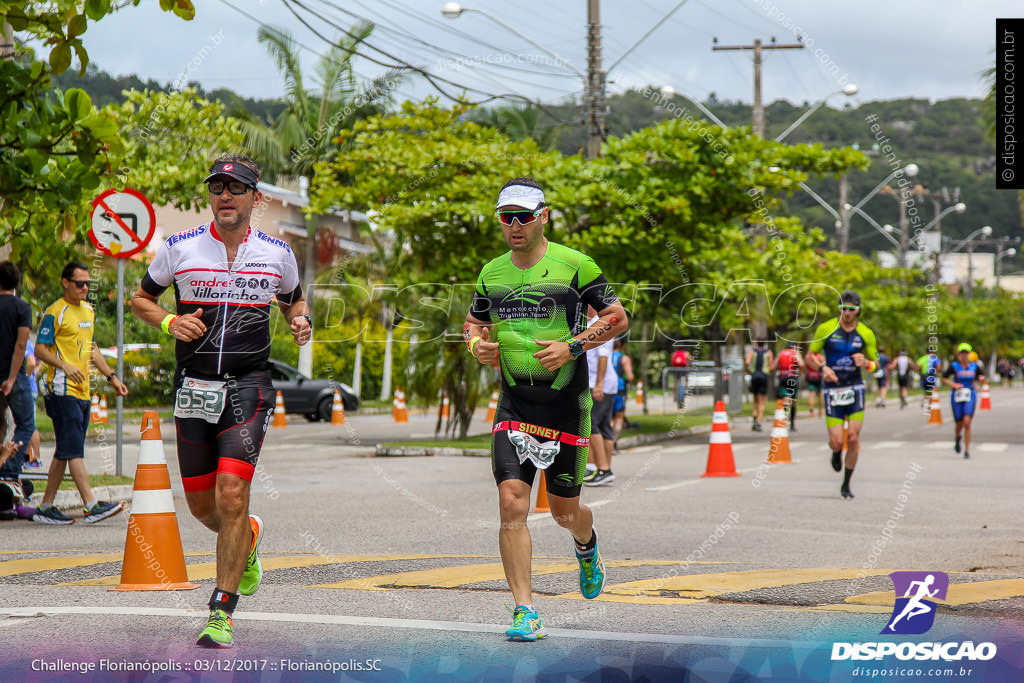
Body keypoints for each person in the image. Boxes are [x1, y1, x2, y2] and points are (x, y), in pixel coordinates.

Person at [130, 154, 312, 649]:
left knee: (232, 493)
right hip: (194, 387)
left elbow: (294, 299)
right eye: (217, 187)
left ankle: (221, 611)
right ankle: (246, 540)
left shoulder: (277, 253)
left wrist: (299, 319)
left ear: (257, 198)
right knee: (203, 508)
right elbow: (141, 300)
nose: (225, 195)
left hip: (249, 386)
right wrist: (169, 322)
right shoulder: (180, 248)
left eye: (236, 187)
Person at [464, 177, 628, 641]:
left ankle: (586, 544)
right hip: (515, 402)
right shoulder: (491, 271)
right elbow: (473, 323)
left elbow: (617, 318)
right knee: (511, 501)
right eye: (506, 217)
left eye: (524, 216)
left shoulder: (575, 265)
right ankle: (525, 610)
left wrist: (572, 346)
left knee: (563, 512)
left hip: (566, 406)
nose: (514, 225)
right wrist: (478, 345)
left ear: (544, 216)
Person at [33, 262, 129, 525]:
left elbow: (92, 348)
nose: (85, 287)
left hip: (83, 391)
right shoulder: (55, 312)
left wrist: (111, 377)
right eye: (80, 283)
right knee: (73, 448)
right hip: (62, 391)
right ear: (66, 283)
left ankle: (46, 507)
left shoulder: (88, 310)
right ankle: (90, 505)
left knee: (65, 448)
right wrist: (64, 365)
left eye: (88, 283)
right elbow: (40, 349)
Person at [806, 290, 879, 499]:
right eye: (844, 308)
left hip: (855, 388)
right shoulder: (827, 328)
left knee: (854, 438)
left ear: (858, 310)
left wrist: (867, 363)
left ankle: (846, 484)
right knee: (838, 441)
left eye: (852, 309)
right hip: (833, 389)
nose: (847, 313)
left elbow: (877, 366)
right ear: (839, 308)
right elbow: (810, 356)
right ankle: (836, 451)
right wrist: (823, 369)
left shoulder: (866, 333)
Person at [0, 261, 36, 487]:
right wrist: (12, 379)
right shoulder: (22, 308)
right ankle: (10, 471)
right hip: (15, 378)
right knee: (25, 425)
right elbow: (21, 346)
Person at [583, 308, 618, 486]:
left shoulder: (600, 325)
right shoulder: (589, 324)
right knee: (604, 427)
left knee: (591, 425)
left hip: (598, 384)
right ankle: (604, 470)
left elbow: (603, 357)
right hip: (605, 383)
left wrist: (599, 384)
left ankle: (602, 469)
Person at [941, 343, 984, 459]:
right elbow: (944, 378)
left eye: (966, 353)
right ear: (959, 354)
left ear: (969, 354)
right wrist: (953, 384)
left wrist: (979, 380)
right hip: (957, 396)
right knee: (959, 423)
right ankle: (957, 437)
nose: (964, 355)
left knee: (967, 421)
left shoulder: (975, 366)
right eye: (962, 353)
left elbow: (981, 377)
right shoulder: (954, 366)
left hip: (970, 394)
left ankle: (967, 450)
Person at [773, 341, 804, 432]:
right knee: (793, 401)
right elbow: (801, 364)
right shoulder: (795, 353)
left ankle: (783, 422)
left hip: (783, 378)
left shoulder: (781, 353)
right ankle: (792, 425)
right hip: (792, 378)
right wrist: (800, 372)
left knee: (785, 400)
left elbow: (774, 366)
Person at [610, 338, 635, 446]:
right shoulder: (624, 358)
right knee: (619, 417)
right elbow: (630, 377)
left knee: (609, 417)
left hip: (607, 389)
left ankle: (606, 443)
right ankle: (613, 444)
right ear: (621, 345)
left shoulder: (606, 356)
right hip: (620, 389)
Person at [745, 342, 773, 431]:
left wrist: (748, 370)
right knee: (762, 401)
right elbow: (771, 366)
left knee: (755, 400)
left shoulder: (752, 351)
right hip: (763, 377)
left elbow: (747, 362)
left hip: (754, 376)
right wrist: (768, 370)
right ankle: (759, 422)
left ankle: (754, 420)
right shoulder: (768, 352)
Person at [805, 349, 824, 418]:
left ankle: (811, 412)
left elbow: (805, 368)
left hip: (811, 377)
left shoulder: (808, 358)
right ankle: (820, 412)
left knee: (811, 395)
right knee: (819, 395)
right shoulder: (820, 357)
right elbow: (823, 367)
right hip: (818, 377)